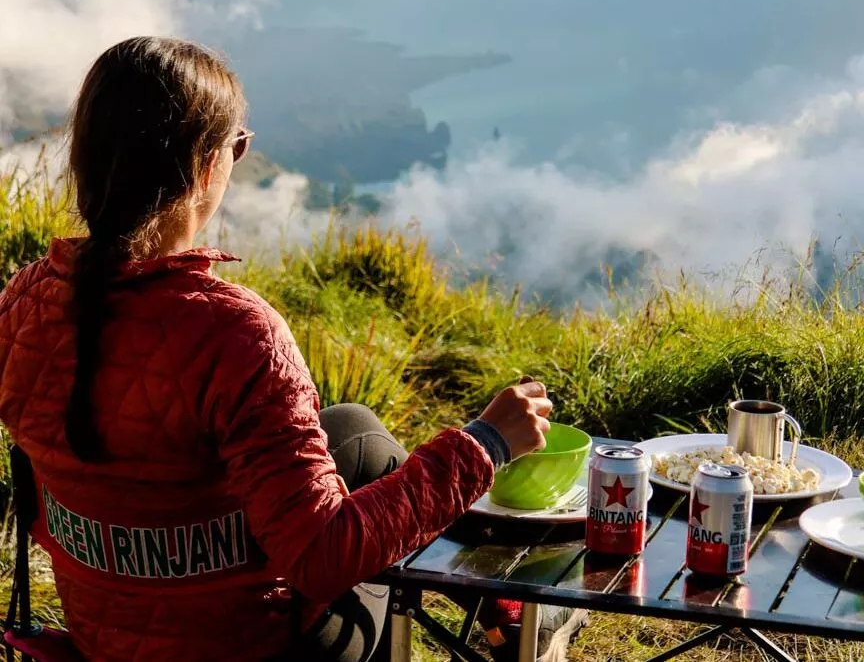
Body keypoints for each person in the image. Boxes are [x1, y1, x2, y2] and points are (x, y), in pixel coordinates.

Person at [0, 38, 587, 662]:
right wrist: (485, 446)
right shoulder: (234, 334)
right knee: (364, 519)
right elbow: (322, 557)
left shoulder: (24, 304)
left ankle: (502, 611)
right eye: (238, 145)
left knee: (354, 431)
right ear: (206, 165)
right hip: (256, 646)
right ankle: (509, 614)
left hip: (107, 639)